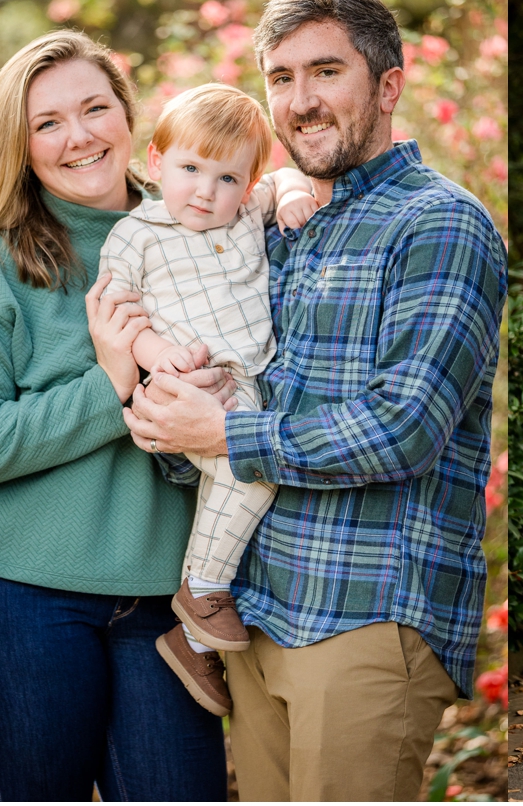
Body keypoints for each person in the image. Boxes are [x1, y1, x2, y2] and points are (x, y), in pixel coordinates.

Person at [114, 0, 507, 801]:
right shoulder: (279, 228)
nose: (300, 100)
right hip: (257, 615)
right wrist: (172, 412)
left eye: (325, 71)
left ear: (389, 84)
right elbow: (235, 400)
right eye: (281, 77)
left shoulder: (440, 223)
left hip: (364, 615)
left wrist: (225, 434)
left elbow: (405, 427)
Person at [0, 30, 232, 801]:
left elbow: (259, 195)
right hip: (16, 593)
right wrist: (111, 382)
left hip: (162, 603)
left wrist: (288, 192)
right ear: (19, 146)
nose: (80, 136)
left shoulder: (200, 231)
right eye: (48, 123)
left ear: (130, 117)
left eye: (95, 108)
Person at [98, 83, 319, 716]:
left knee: (249, 473)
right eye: (190, 168)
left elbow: (281, 180)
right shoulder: (137, 234)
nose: (204, 190)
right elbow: (118, 312)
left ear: (244, 186)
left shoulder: (249, 209)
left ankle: (193, 637)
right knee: (251, 474)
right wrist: (150, 354)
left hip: (245, 382)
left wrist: (297, 191)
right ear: (158, 160)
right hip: (179, 384)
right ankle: (204, 593)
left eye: (226, 178)